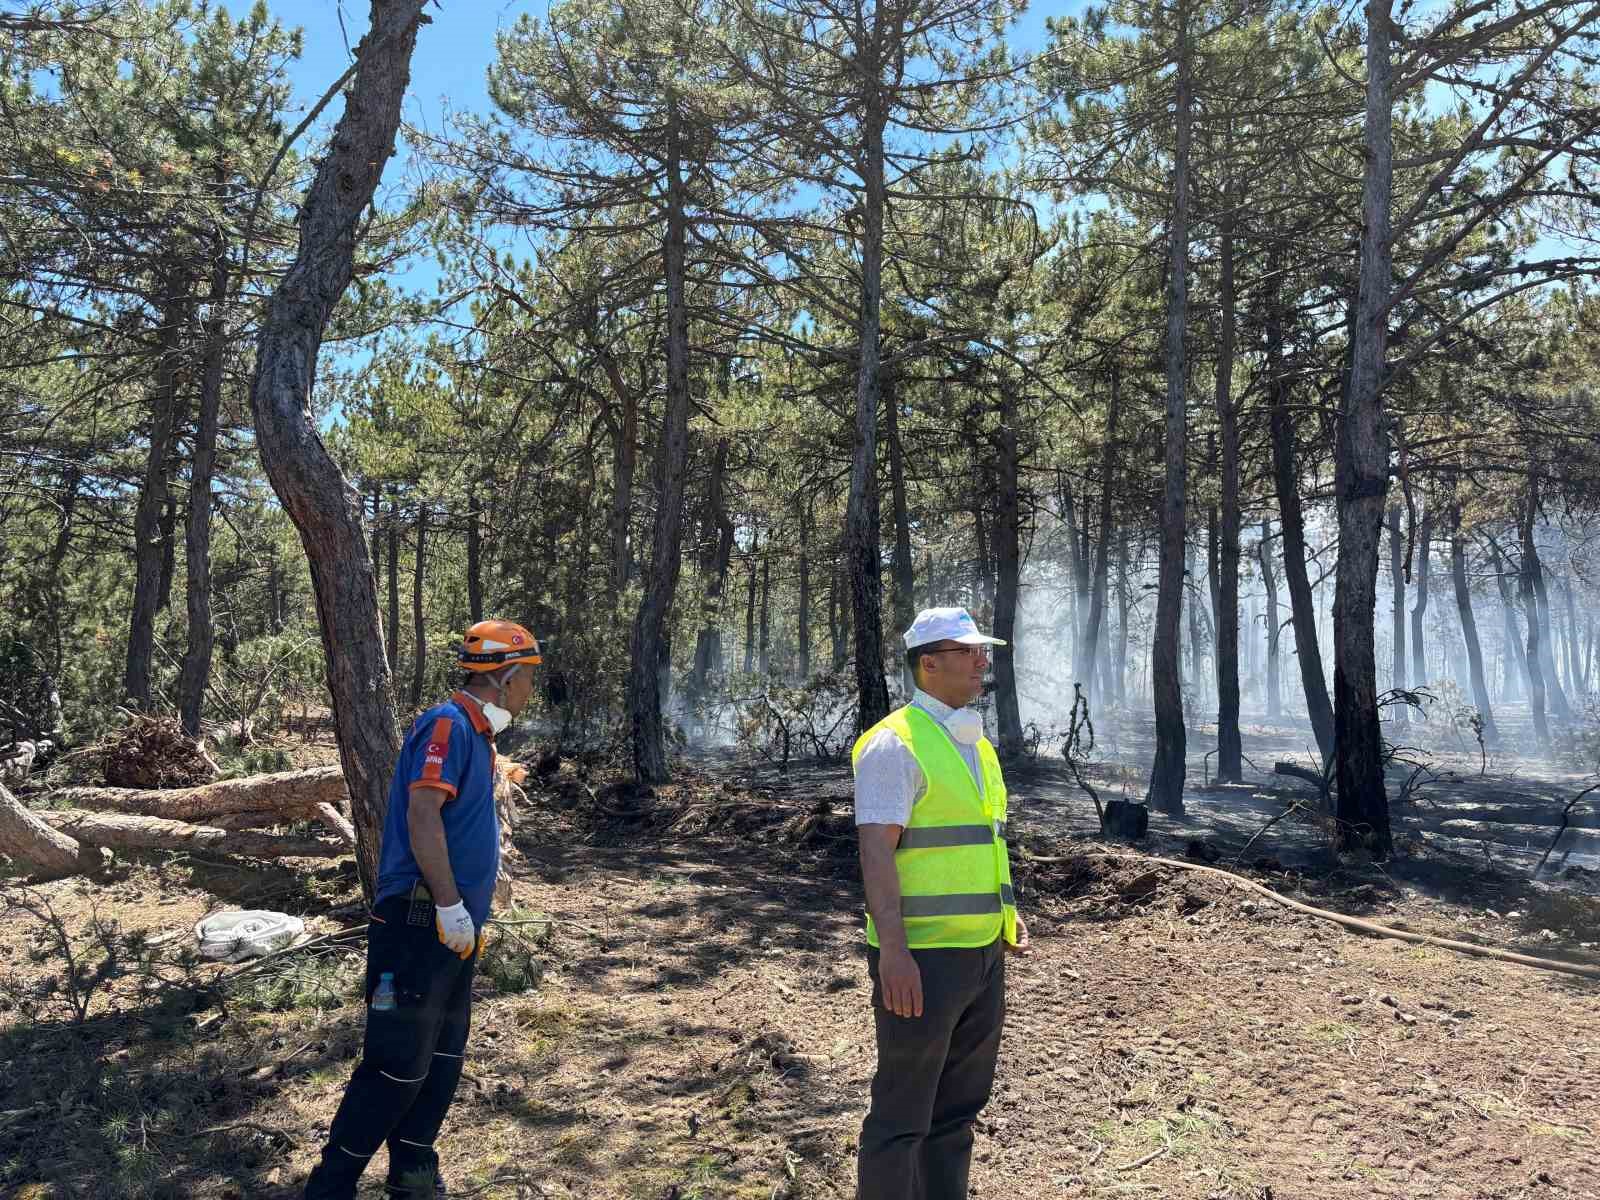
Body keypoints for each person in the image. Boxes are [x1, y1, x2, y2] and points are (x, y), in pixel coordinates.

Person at [304, 620, 542, 1200]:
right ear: (506, 675)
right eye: (528, 678)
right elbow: (422, 816)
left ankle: (412, 1176)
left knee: (440, 1062)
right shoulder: (447, 724)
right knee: (395, 1069)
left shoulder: (479, 738)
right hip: (420, 920)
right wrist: (449, 905)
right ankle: (329, 1189)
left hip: (453, 927)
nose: (530, 691)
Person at [853, 606, 1030, 1200]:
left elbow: (982, 841)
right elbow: (877, 855)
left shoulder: (974, 744)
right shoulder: (892, 745)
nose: (984, 661)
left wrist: (1004, 916)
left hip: (981, 957)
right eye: (969, 651)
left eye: (984, 650)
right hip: (924, 962)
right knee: (902, 1119)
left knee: (956, 1114)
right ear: (928, 665)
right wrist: (894, 956)